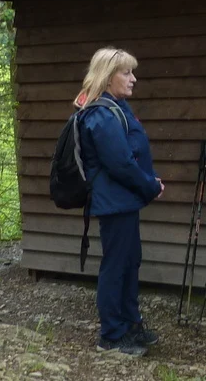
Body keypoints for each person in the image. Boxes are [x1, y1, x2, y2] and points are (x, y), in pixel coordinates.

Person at [76, 47, 164, 356]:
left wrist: (148, 184)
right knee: (116, 266)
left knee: (130, 262)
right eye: (126, 73)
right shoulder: (100, 114)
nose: (133, 78)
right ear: (108, 76)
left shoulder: (117, 106)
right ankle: (111, 336)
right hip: (114, 203)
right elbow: (121, 163)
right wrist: (150, 186)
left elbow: (131, 156)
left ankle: (130, 325)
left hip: (126, 200)